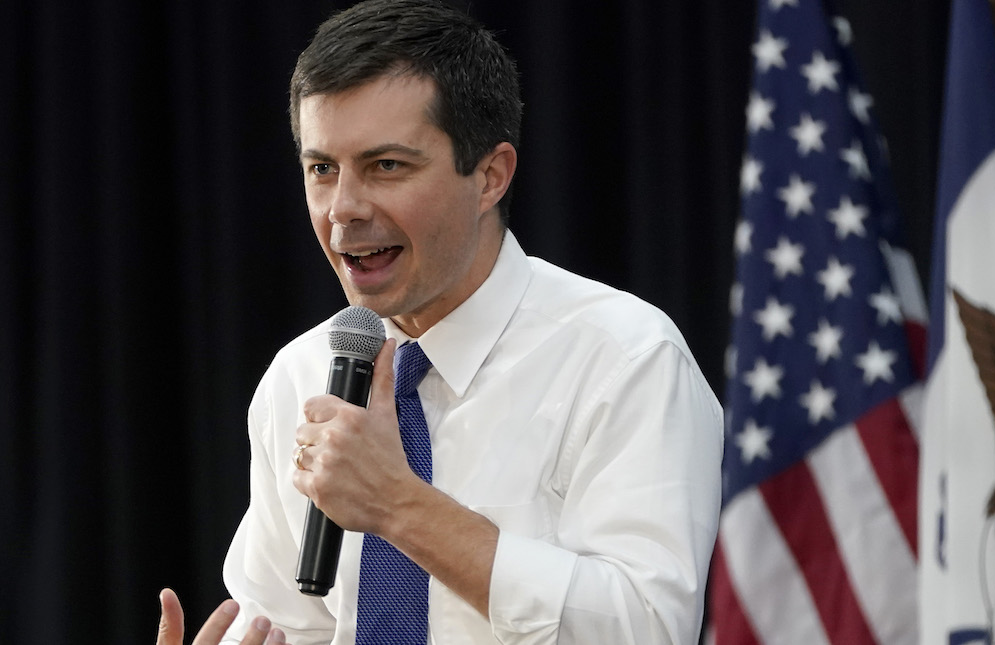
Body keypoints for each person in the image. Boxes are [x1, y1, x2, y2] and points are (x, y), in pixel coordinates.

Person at [157, 0, 723, 643]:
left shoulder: (625, 358)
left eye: (386, 166)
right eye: (322, 169)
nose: (342, 209)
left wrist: (399, 505)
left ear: (490, 176)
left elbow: (645, 628)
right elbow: (288, 624)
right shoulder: (300, 374)